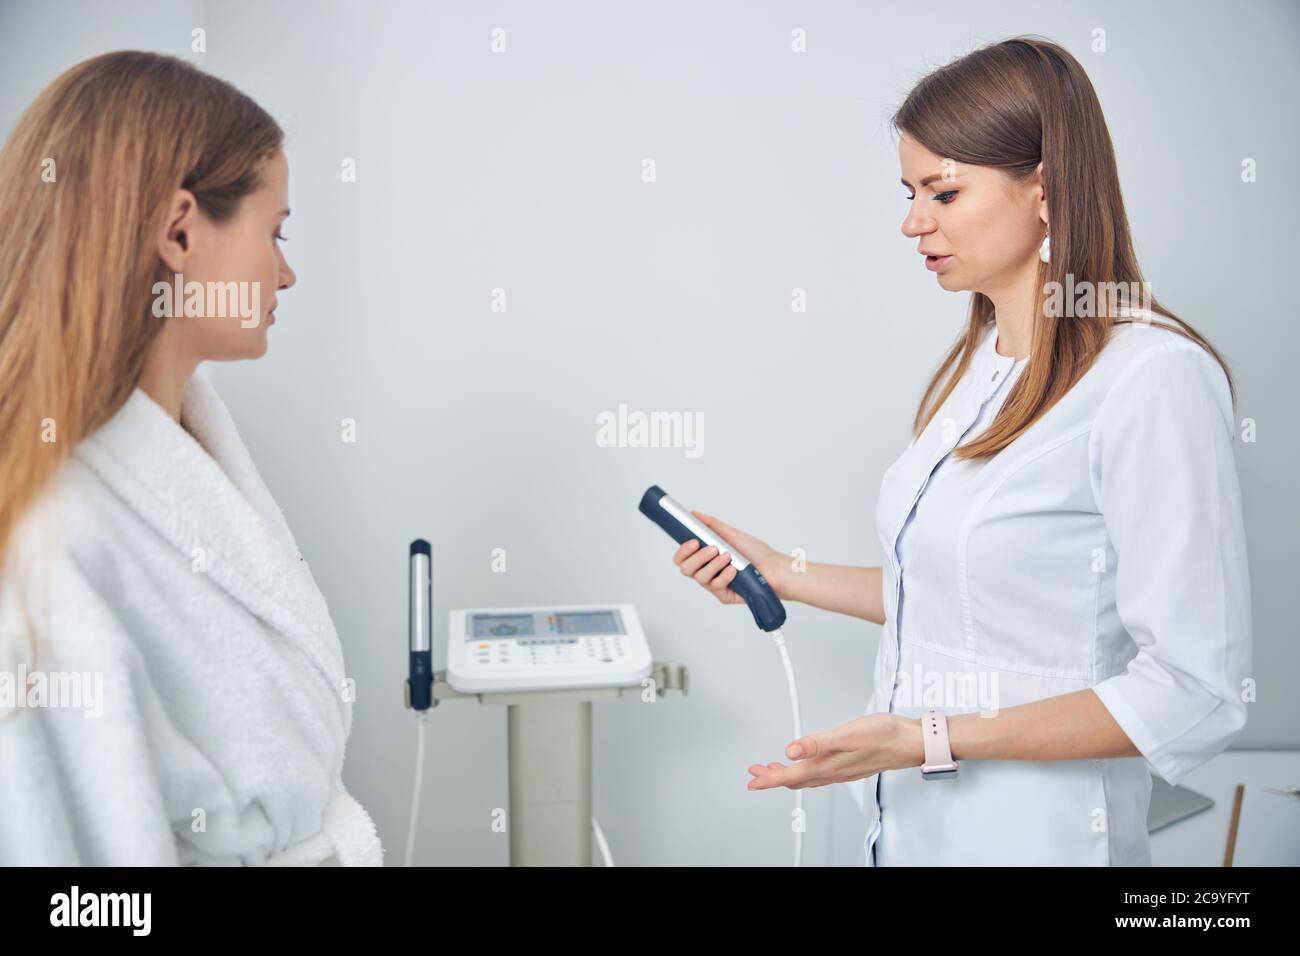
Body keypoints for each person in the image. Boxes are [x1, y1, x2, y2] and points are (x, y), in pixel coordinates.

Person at [671, 36, 1251, 866]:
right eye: (910, 193)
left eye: (942, 191)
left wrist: (932, 738)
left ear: (1044, 187)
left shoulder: (1152, 378)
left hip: (1043, 841)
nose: (912, 221)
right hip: (907, 832)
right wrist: (784, 574)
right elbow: (963, 598)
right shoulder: (983, 363)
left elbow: (1194, 693)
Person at [0, 51, 383, 865]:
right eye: (273, 232)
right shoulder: (47, 548)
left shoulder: (193, 448)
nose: (287, 271)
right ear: (178, 232)